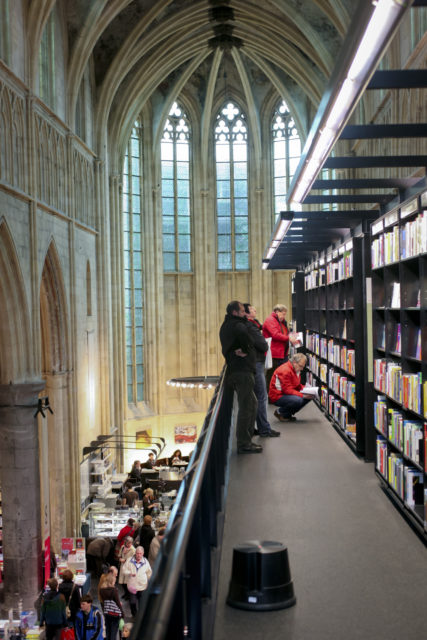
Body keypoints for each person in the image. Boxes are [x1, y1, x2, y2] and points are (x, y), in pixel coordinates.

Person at [219, 300, 261, 454]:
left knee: (252, 403)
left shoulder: (227, 325)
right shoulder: (237, 325)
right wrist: (246, 348)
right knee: (246, 406)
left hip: (239, 369)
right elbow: (248, 339)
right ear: (235, 312)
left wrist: (242, 348)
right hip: (242, 370)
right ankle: (244, 443)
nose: (245, 313)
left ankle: (247, 437)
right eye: (243, 311)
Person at [244, 303, 280, 438]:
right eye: (253, 308)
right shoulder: (250, 326)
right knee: (261, 396)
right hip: (256, 362)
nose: (255, 309)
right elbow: (262, 345)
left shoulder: (253, 324)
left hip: (255, 362)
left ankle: (257, 427)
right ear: (247, 313)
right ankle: (264, 429)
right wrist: (265, 344)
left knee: (257, 397)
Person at [269, 353, 312, 421]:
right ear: (294, 362)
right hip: (277, 396)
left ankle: (286, 415)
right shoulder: (285, 370)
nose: (302, 369)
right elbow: (287, 390)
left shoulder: (295, 368)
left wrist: (308, 390)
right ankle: (280, 412)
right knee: (297, 400)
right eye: (301, 366)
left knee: (310, 396)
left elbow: (297, 385)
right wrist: (303, 395)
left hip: (285, 393)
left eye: (303, 367)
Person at [263, 304, 296, 390]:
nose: (284, 316)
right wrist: (289, 338)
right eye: (283, 314)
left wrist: (292, 336)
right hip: (275, 353)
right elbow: (275, 334)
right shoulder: (270, 320)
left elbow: (285, 332)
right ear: (277, 312)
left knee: (281, 373)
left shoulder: (280, 322)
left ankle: (278, 392)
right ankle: (270, 394)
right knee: (272, 375)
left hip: (282, 353)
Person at [122, 546, 152, 617]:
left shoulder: (145, 562)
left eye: (140, 554)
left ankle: (141, 616)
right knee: (132, 602)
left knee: (142, 603)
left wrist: (149, 581)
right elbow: (123, 570)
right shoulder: (129, 560)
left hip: (142, 586)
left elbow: (149, 572)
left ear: (143, 554)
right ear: (135, 553)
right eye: (137, 553)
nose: (138, 555)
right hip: (132, 586)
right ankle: (134, 614)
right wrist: (129, 573)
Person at [99, 572, 124, 640]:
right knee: (113, 632)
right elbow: (118, 603)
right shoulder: (114, 590)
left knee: (108, 631)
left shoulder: (101, 590)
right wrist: (122, 613)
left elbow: (104, 601)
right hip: (115, 613)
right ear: (112, 581)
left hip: (107, 612)